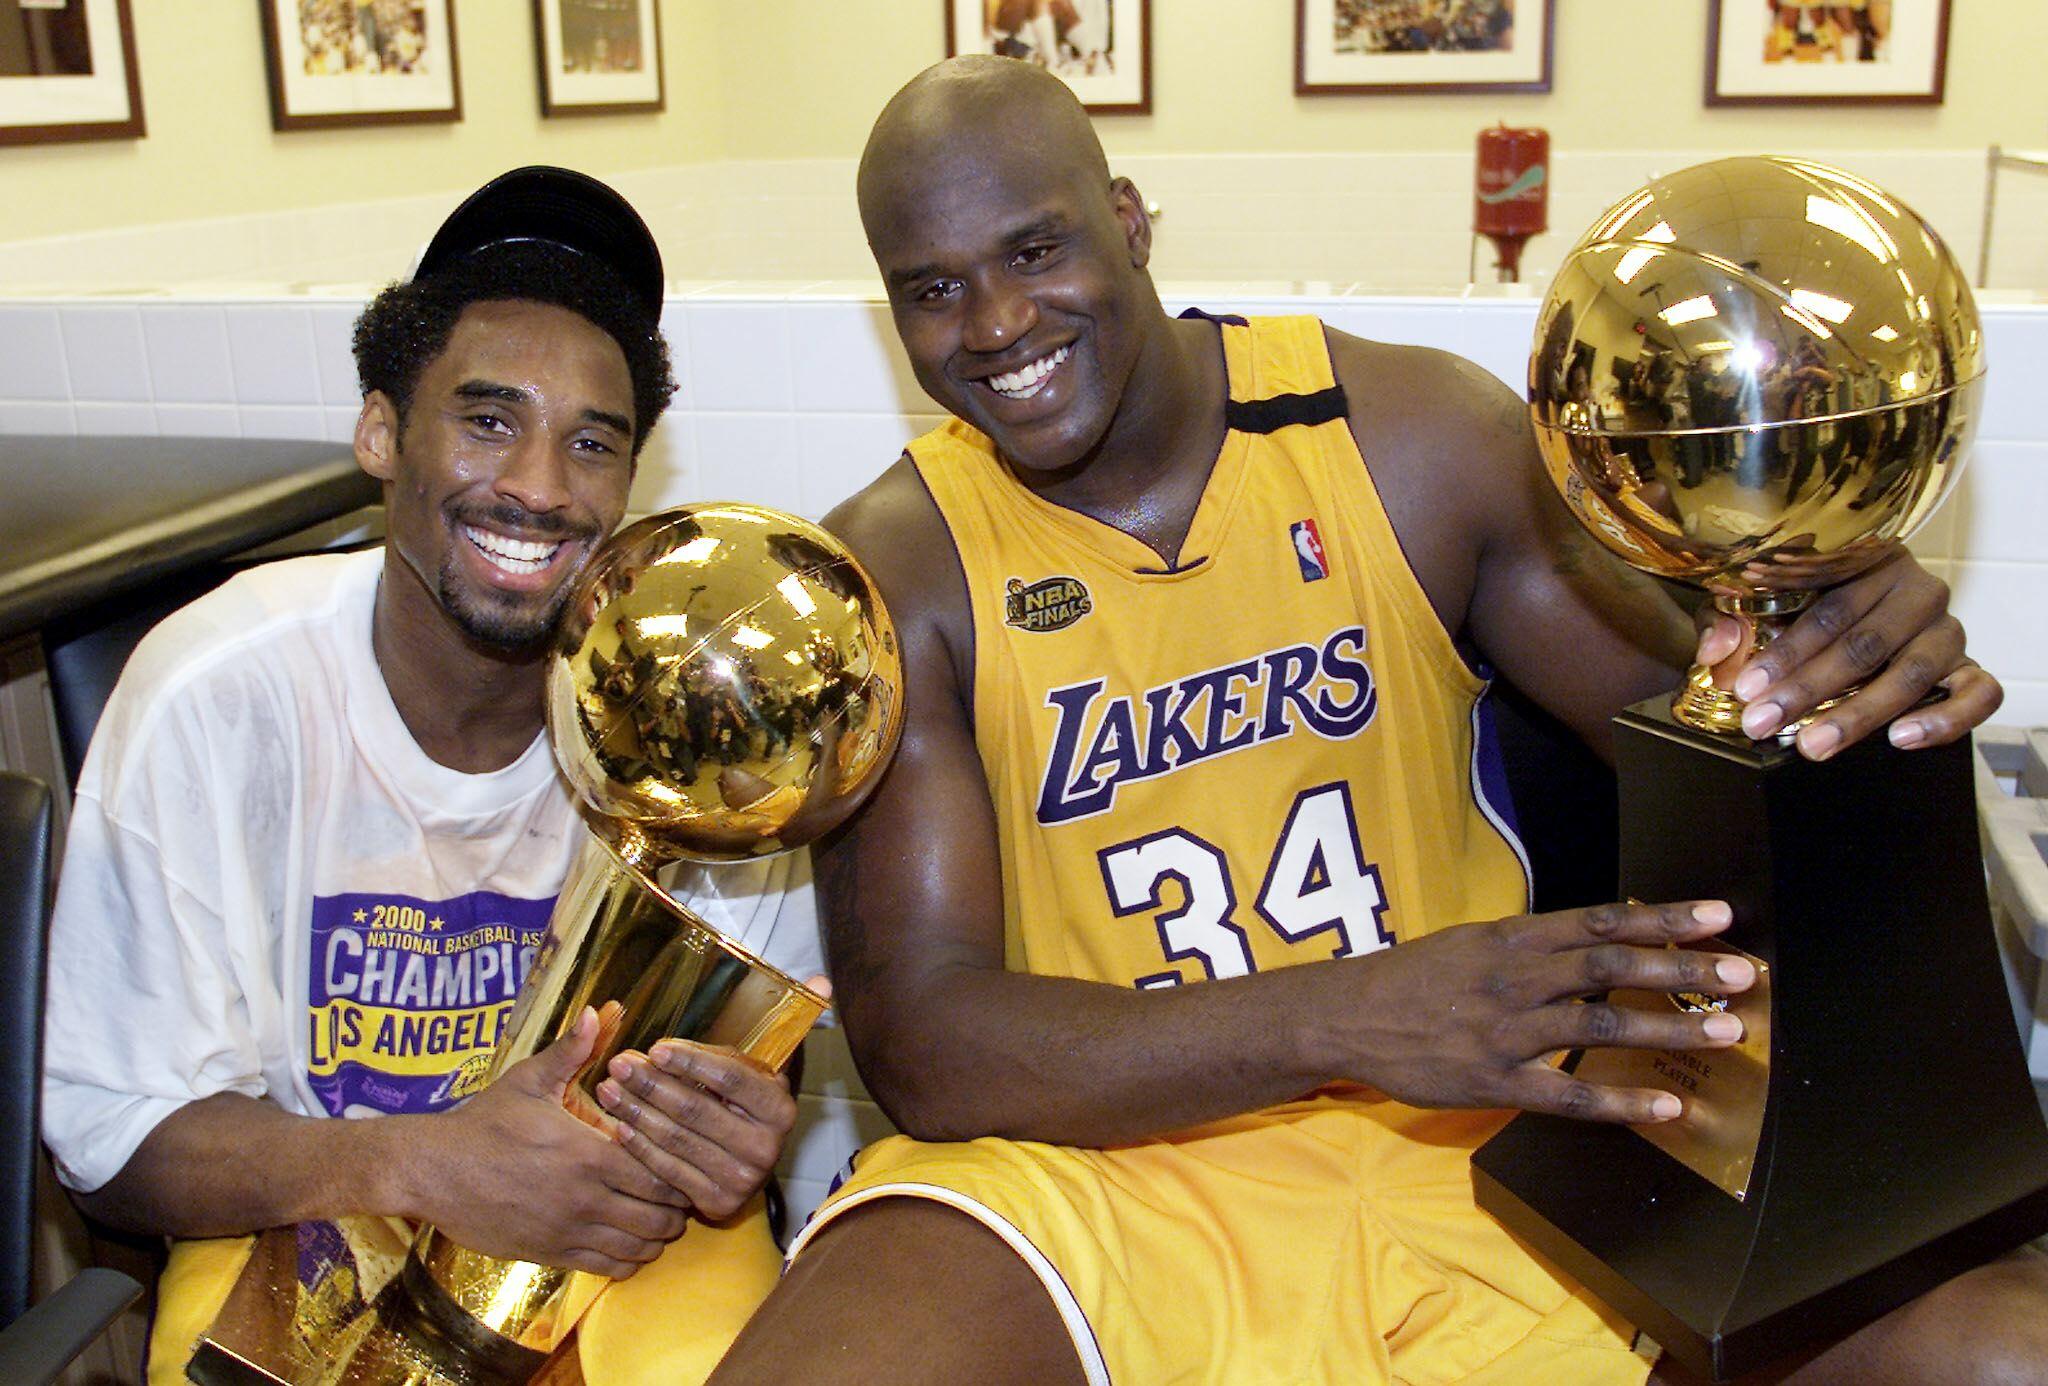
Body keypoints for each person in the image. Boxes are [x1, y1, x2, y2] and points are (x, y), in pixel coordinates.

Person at [709, 58, 2047, 1386]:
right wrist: (1346, 1015)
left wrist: (1835, 635)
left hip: (1474, 1137)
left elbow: (1719, 737)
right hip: (1094, 1178)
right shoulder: (896, 571)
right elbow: (928, 1045)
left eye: (1035, 248)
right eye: (932, 290)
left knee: (2002, 1349)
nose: (996, 322)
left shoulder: (1408, 437)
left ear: (1127, 220)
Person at [41, 167, 821, 1385]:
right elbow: (113, 1140)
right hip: (304, 1207)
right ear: (379, 433)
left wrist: (739, 1136)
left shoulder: (699, 721)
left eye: (592, 444)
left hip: (626, 1233)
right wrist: (423, 1162)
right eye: (489, 419)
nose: (541, 487)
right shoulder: (218, 692)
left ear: (630, 486)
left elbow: (742, 1060)